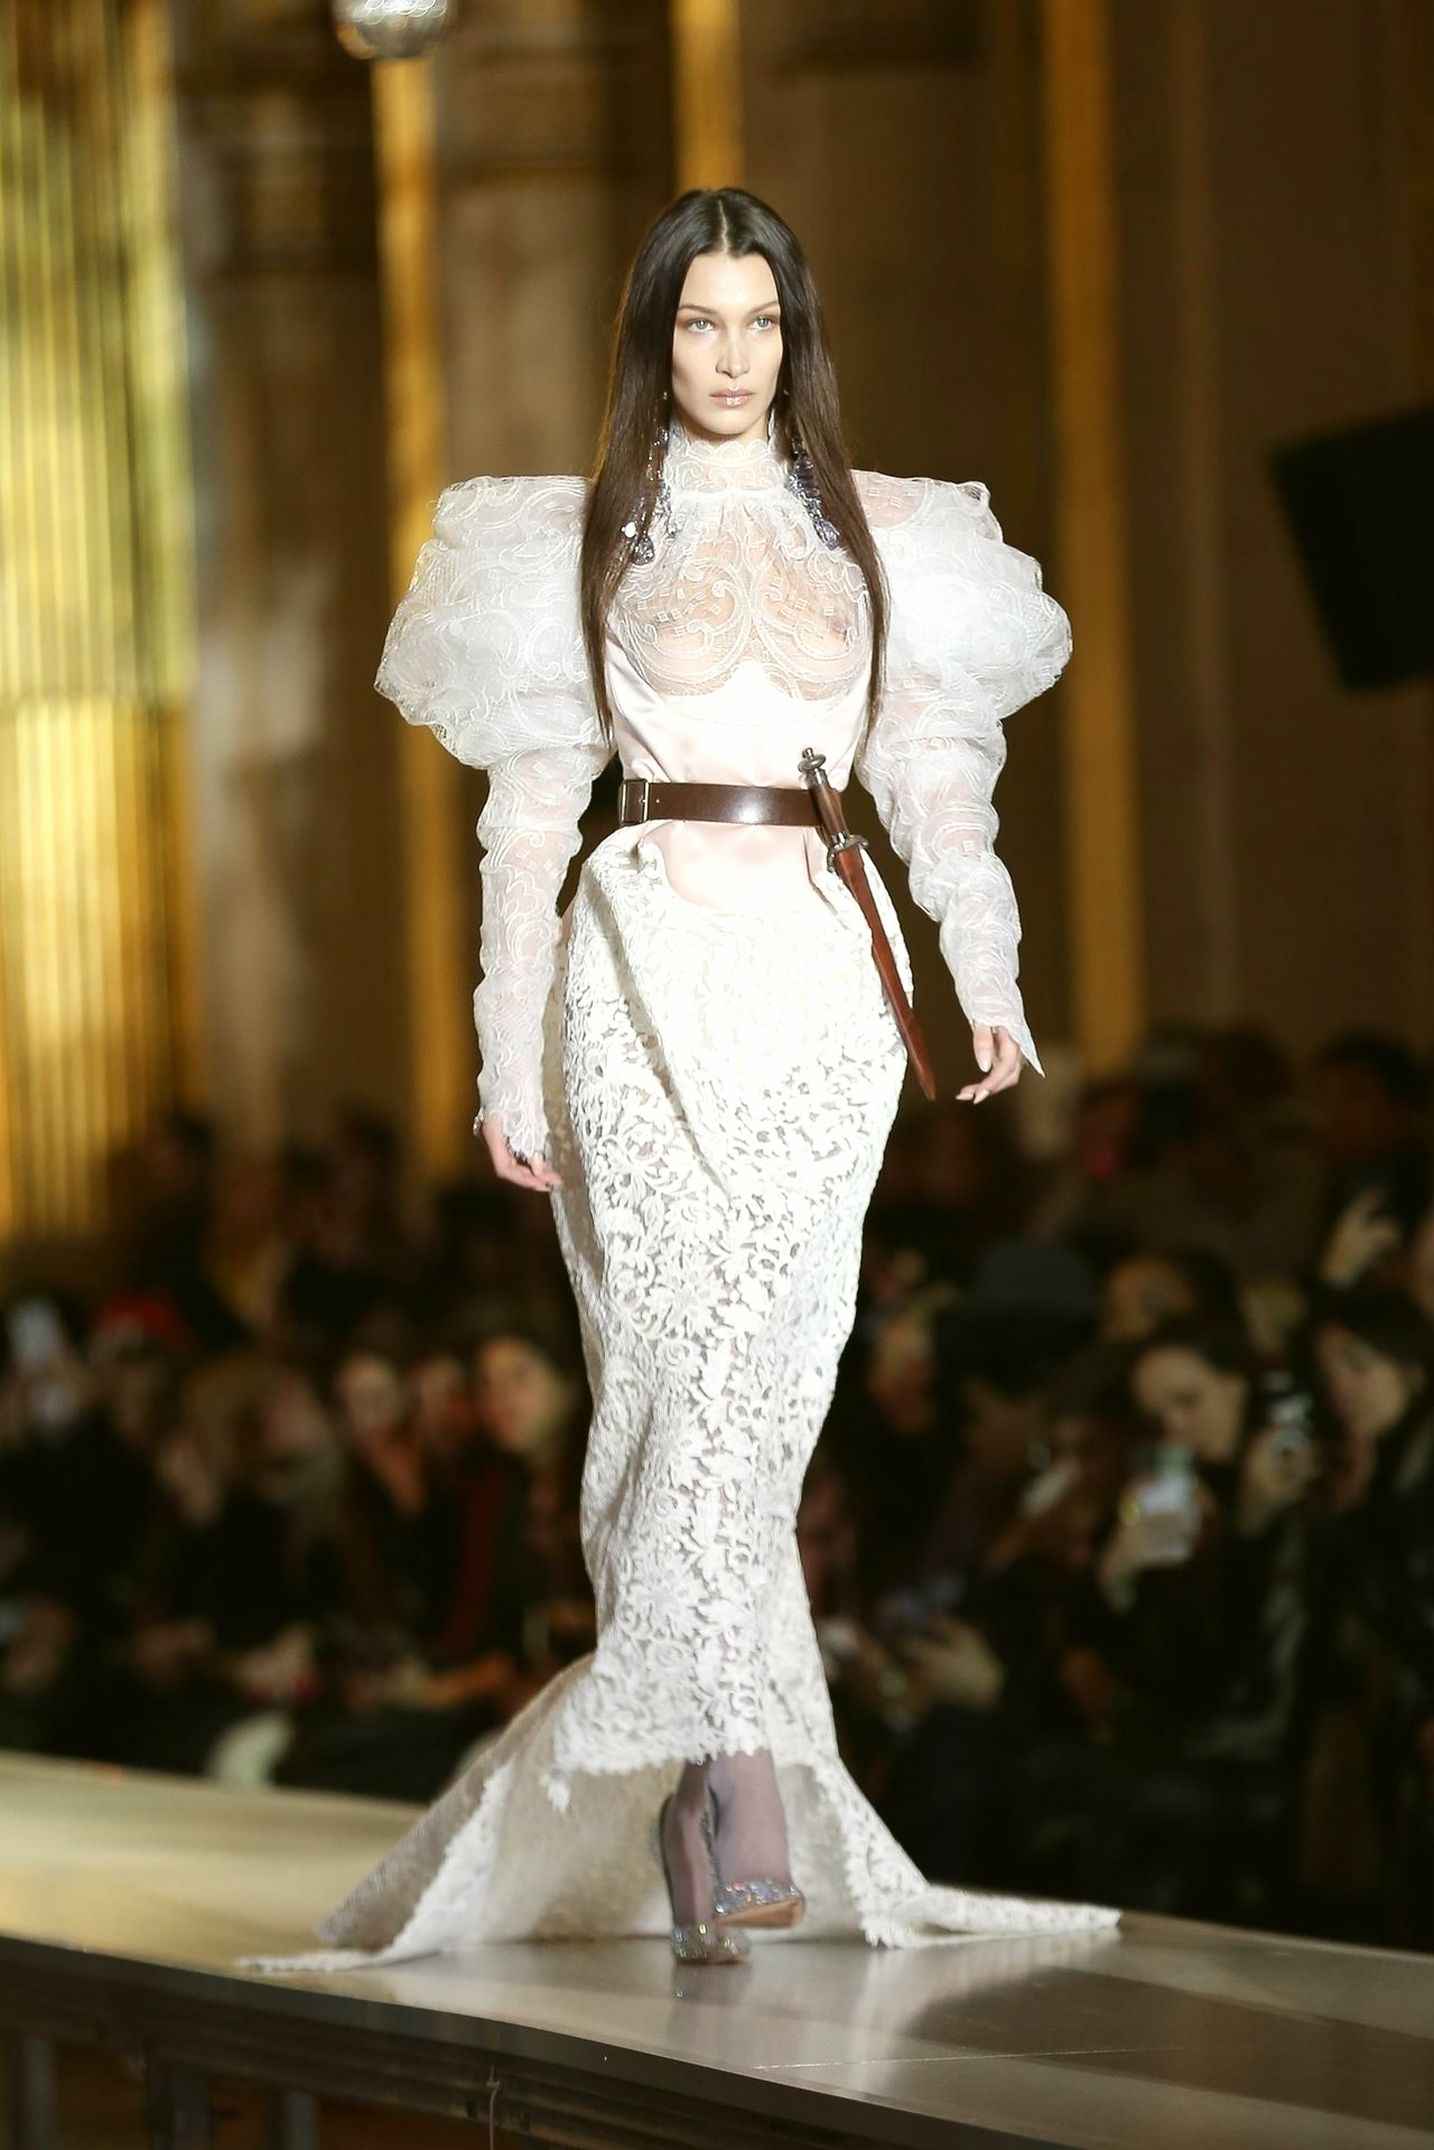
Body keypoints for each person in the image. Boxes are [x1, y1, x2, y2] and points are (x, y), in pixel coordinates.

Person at [240, 186, 1117, 1975]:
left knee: (768, 1385)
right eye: (700, 323)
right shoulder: (572, 539)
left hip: (817, 977)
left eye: (760, 323)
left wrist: (989, 968)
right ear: (654, 337)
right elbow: (523, 827)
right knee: (668, 1381)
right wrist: (503, 1058)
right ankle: (737, 1789)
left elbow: (935, 776)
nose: (732, 356)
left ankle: (711, 1785)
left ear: (797, 336)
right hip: (635, 964)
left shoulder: (888, 534)